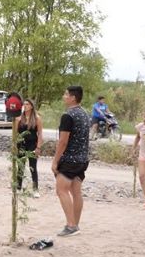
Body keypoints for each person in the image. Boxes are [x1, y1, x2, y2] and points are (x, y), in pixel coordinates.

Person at [52, 85, 90, 237]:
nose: (64, 96)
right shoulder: (84, 114)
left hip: (70, 160)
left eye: (66, 94)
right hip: (83, 159)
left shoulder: (68, 116)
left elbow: (63, 141)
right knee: (76, 192)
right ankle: (75, 224)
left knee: (61, 190)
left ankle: (71, 225)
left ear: (73, 97)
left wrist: (55, 161)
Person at [15, 99, 43, 197]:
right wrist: (14, 146)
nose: (25, 106)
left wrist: (38, 147)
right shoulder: (19, 118)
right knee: (20, 166)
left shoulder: (37, 118)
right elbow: (15, 134)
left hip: (32, 144)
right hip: (21, 144)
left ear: (31, 106)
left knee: (33, 167)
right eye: (24, 104)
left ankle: (35, 189)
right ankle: (18, 188)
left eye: (27, 104)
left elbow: (40, 134)